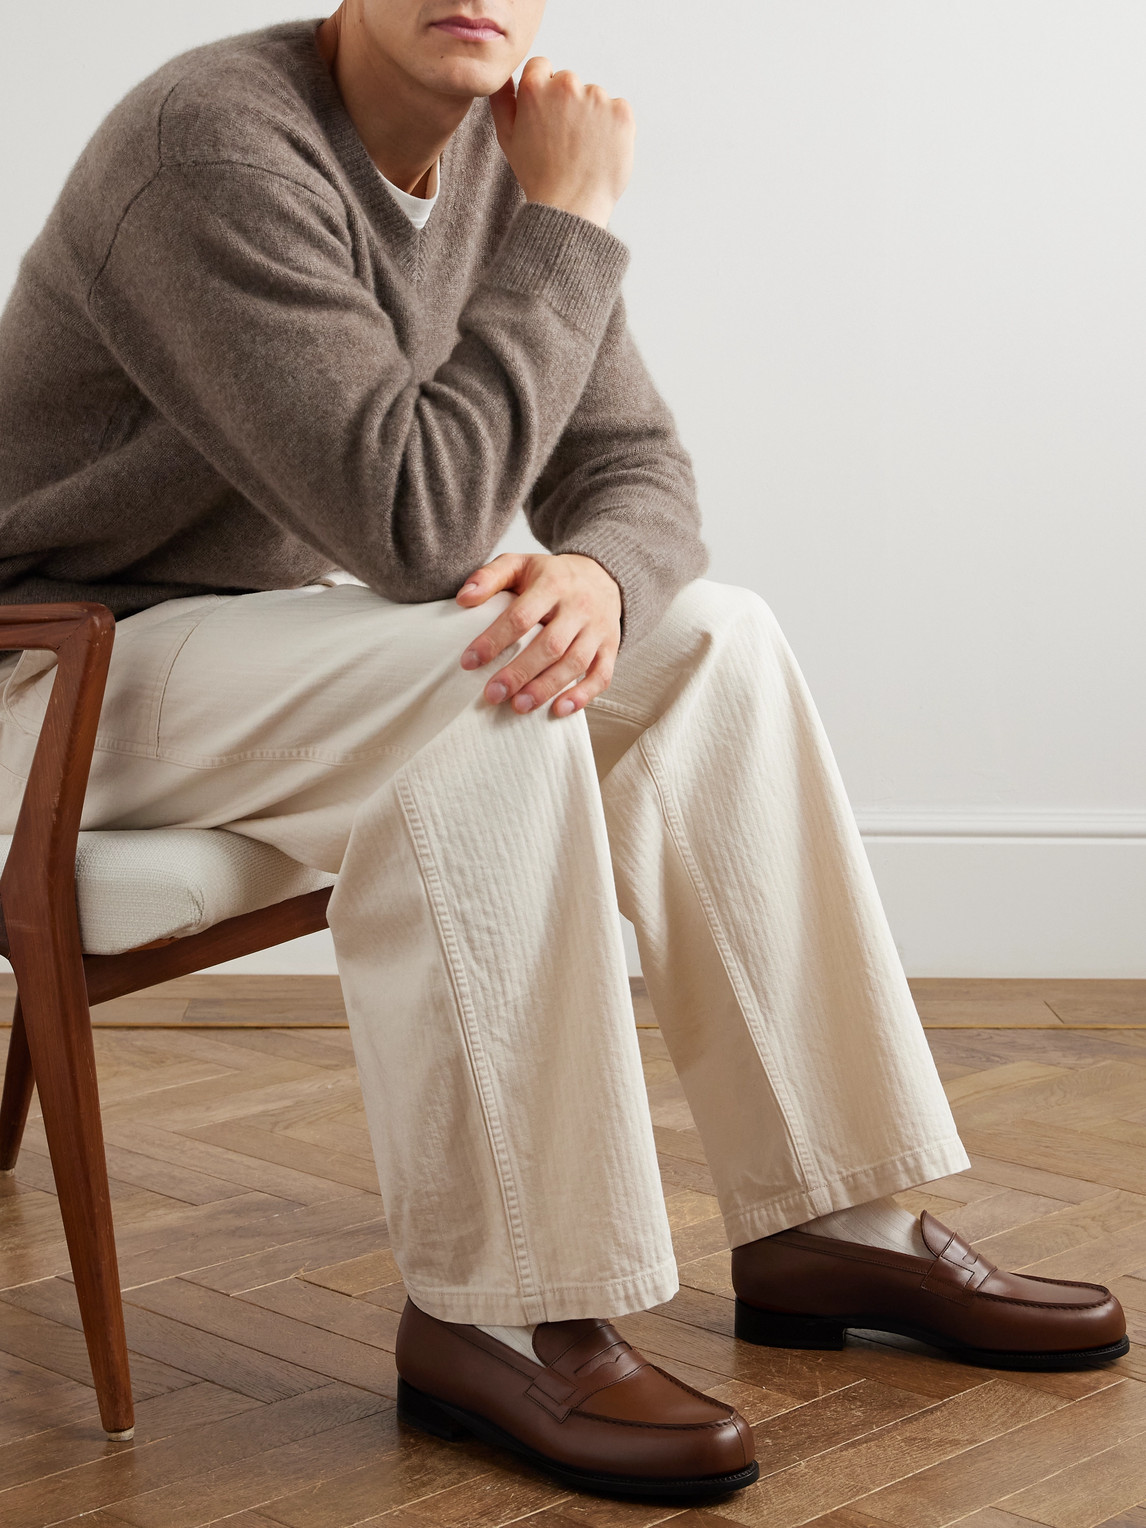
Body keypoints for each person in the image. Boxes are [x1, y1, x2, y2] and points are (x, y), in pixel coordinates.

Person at [0, 0, 1127, 1503]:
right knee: (476, 675)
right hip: (52, 662)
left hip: (253, 644)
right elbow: (420, 523)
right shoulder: (213, 144)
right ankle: (503, 1304)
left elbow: (635, 468)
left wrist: (599, 575)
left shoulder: (486, 163)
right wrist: (575, 220)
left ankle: (829, 1220)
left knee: (709, 637)